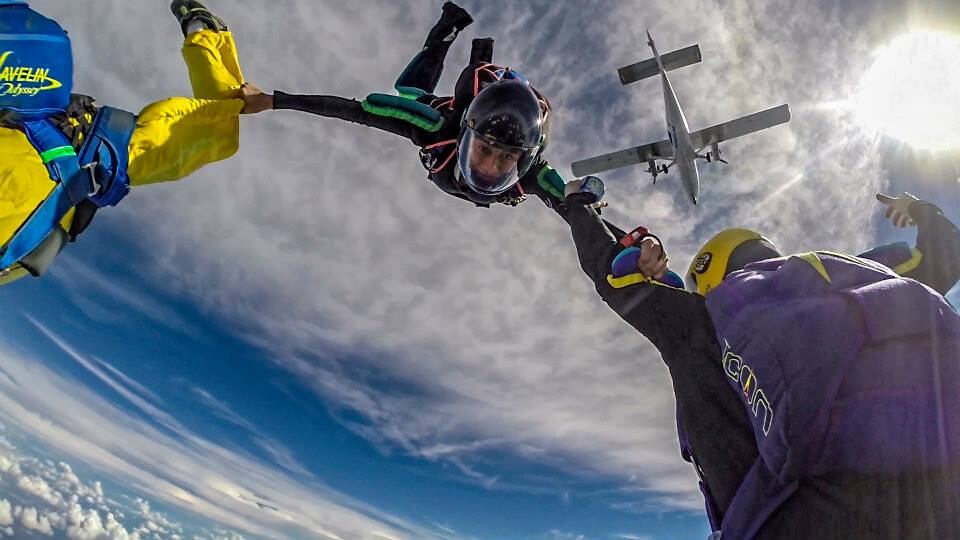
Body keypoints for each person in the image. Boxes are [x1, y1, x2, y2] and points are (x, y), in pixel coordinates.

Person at [559, 188, 960, 539]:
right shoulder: (861, 276)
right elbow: (949, 255)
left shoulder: (702, 321)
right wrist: (921, 209)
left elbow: (610, 274)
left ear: (708, 279)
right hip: (940, 494)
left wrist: (577, 204)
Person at [0, 0, 271, 286]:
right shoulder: (91, 152)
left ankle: (203, 31)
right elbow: (210, 133)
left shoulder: (93, 153)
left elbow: (211, 133)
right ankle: (203, 31)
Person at [251, 2, 575, 208]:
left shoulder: (529, 173)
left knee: (411, 90)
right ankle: (451, 27)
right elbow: (350, 111)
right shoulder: (434, 127)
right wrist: (273, 100)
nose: (488, 168)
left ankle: (466, 39)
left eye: (505, 157)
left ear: (524, 159)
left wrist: (607, 232)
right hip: (460, 104)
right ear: (464, 136)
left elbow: (576, 209)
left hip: (488, 104)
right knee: (409, 91)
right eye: (487, 150)